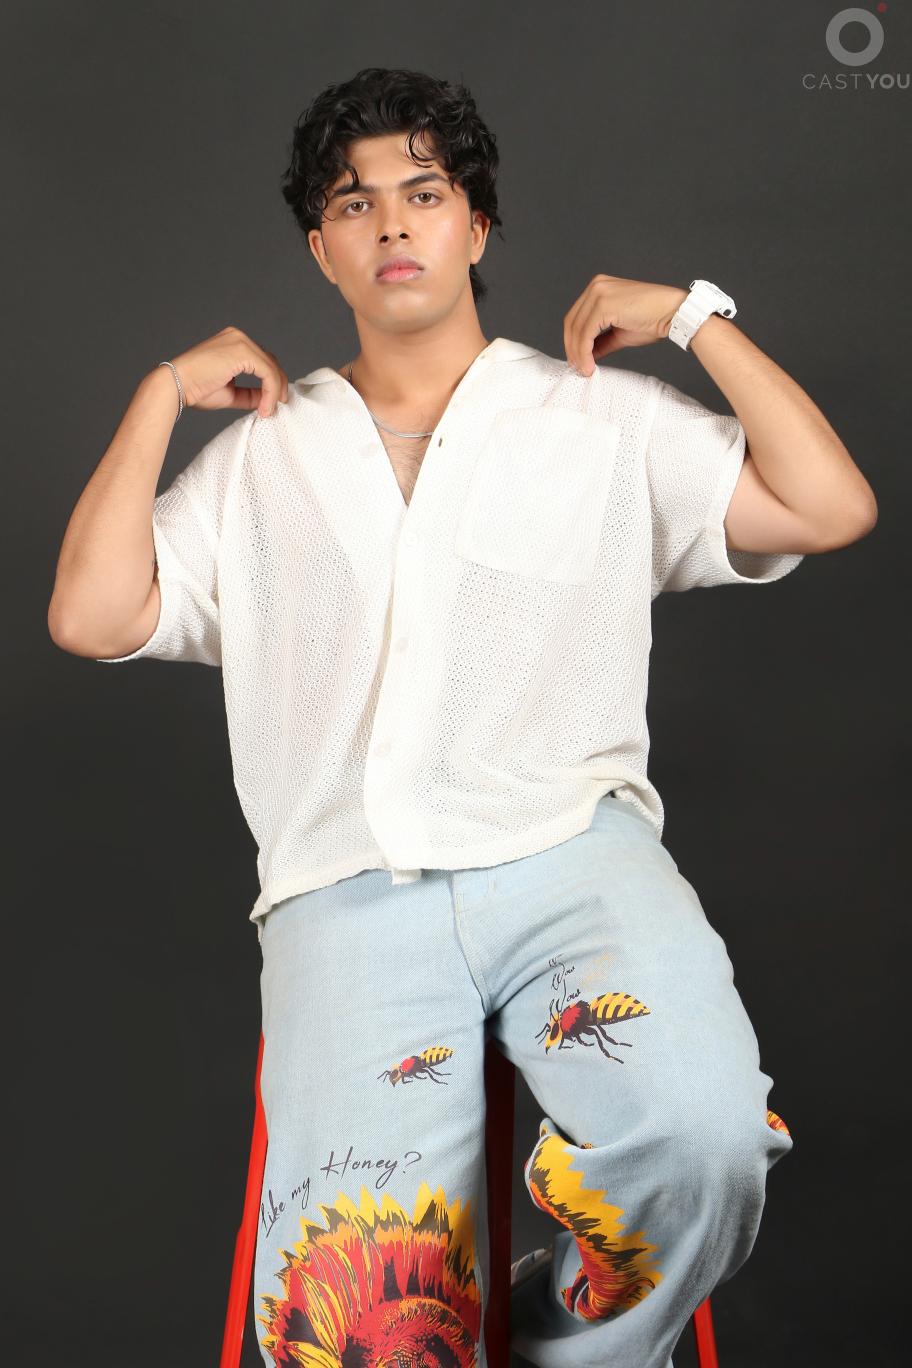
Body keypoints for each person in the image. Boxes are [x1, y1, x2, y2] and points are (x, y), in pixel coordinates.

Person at [48, 66, 876, 1368]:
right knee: (354, 1323)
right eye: (354, 203)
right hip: (348, 888)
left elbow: (831, 506)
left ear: (476, 225)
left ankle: (550, 1341)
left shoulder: (595, 417)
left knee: (704, 1140)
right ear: (320, 248)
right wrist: (160, 396)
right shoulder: (263, 457)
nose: (391, 222)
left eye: (424, 194)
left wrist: (694, 317)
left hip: (574, 862)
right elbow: (91, 617)